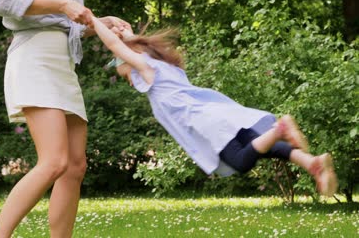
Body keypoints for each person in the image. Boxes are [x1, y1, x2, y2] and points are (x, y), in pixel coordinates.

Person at [91, 16, 338, 197]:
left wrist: (92, 20)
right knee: (262, 147)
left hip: (204, 120)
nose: (127, 79)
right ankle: (312, 163)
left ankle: (280, 129)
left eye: (125, 75)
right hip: (217, 113)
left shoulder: (147, 68)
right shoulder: (162, 62)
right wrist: (128, 35)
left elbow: (117, 51)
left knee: (240, 161)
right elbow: (126, 54)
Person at [0, 0, 130, 237]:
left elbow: (66, 25)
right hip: (34, 58)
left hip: (63, 66)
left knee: (76, 166)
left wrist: (101, 23)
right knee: (54, 161)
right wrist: (62, 5)